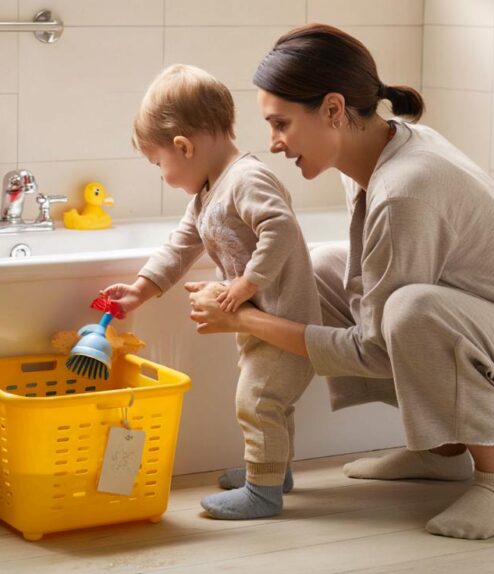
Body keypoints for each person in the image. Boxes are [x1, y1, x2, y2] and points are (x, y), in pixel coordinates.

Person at [185, 23, 494, 539]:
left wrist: (244, 318)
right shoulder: (376, 151)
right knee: (318, 270)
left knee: (412, 310)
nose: (272, 144)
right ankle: (443, 450)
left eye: (281, 123)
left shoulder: (406, 188)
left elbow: (378, 347)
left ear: (334, 110)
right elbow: (376, 293)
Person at [102, 64, 321, 520]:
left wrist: (247, 283)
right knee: (270, 403)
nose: (162, 174)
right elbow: (182, 243)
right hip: (262, 323)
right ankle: (273, 472)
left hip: (285, 320)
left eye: (159, 163)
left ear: (184, 146)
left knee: (257, 401)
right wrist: (140, 290)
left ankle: (263, 492)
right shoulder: (207, 193)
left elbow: (279, 227)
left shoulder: (245, 179)